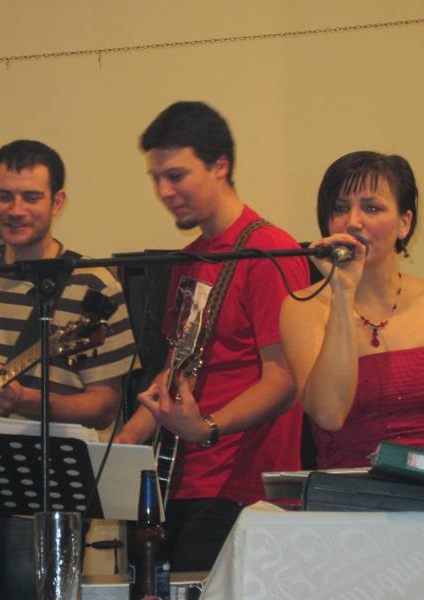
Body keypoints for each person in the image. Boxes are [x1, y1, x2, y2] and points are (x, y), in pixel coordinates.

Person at [0, 139, 137, 600]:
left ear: (57, 202)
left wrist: (27, 402)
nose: (15, 209)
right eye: (4, 196)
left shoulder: (93, 285)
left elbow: (104, 405)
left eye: (31, 197)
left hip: (44, 497)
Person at [115, 101, 309, 572]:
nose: (165, 191)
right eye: (156, 178)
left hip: (243, 488)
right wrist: (126, 441)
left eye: (176, 175)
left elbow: (285, 378)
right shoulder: (190, 258)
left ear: (220, 165)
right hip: (180, 482)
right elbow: (176, 369)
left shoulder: (268, 251)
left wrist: (206, 428)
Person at [280, 151, 424, 468]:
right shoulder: (304, 307)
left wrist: (417, 456)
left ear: (404, 223)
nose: (353, 222)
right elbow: (328, 414)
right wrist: (343, 293)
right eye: (340, 209)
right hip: (349, 490)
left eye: (371, 208)